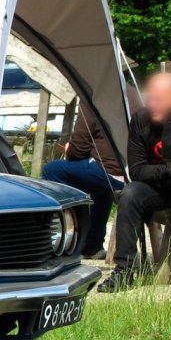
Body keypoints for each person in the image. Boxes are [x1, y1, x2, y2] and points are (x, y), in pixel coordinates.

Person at [98, 71, 171, 291]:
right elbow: (136, 171)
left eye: (159, 99)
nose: (152, 104)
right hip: (157, 191)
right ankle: (124, 271)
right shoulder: (140, 120)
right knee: (131, 192)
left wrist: (165, 172)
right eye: (150, 98)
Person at [42, 98, 131, 259]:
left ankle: (63, 240)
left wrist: (69, 150)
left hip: (111, 171)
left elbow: (79, 147)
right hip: (131, 171)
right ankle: (92, 244)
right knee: (98, 181)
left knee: (51, 170)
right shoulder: (128, 91)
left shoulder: (92, 96)